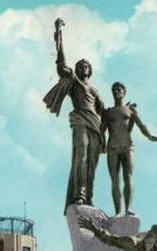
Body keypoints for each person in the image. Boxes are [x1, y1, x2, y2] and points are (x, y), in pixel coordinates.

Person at [43, 18, 106, 213]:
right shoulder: (74, 82)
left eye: (86, 66)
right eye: (80, 66)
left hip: (95, 126)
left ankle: (89, 196)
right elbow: (62, 65)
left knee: (92, 164)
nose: (83, 68)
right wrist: (59, 36)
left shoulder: (95, 91)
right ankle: (79, 194)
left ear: (91, 70)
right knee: (81, 158)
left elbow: (105, 112)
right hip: (79, 121)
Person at [102, 82, 157, 216]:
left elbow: (141, 125)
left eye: (119, 89)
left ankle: (128, 209)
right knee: (115, 179)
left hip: (127, 146)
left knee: (128, 177)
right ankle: (118, 211)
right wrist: (102, 145)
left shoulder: (130, 110)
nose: (116, 92)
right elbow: (101, 130)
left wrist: (150, 136)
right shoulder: (108, 112)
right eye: (114, 90)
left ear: (124, 92)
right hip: (112, 148)